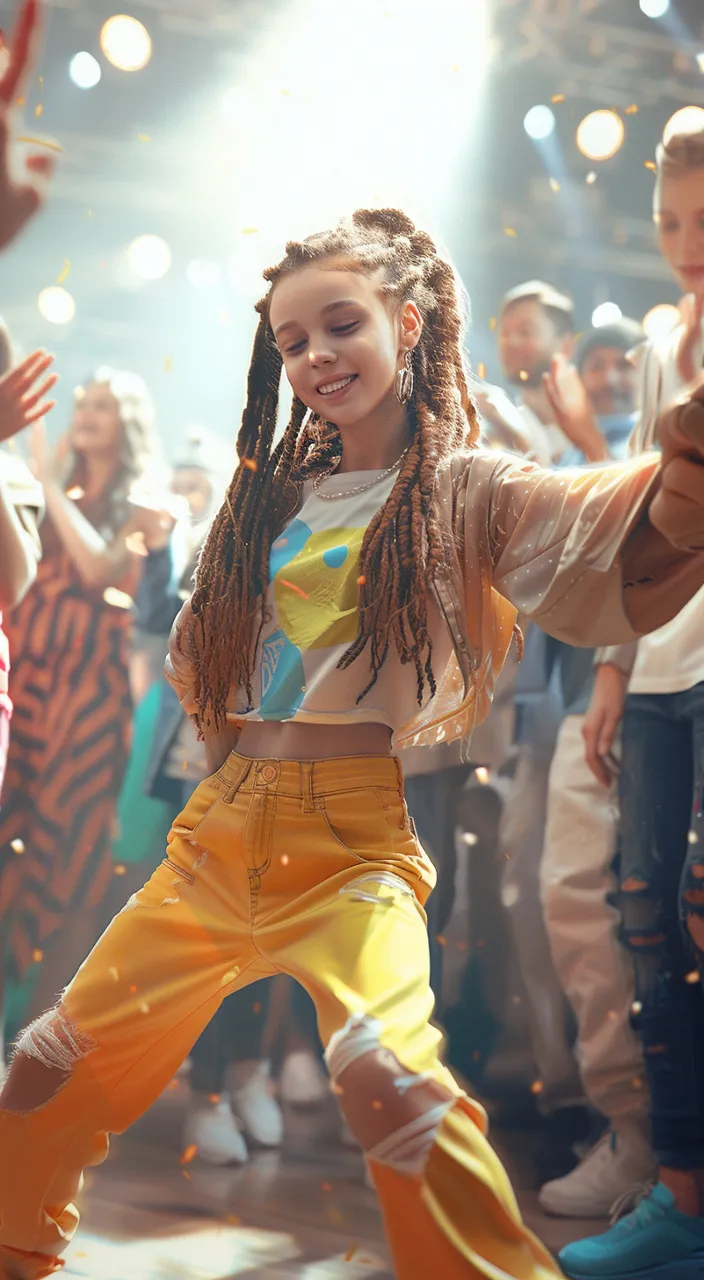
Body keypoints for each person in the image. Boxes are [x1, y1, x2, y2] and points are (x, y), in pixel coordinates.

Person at [1, 209, 704, 1280]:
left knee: (388, 1076)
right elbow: (203, 648)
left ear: (408, 323)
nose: (316, 356)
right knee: (46, 1067)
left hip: (353, 844)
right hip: (217, 832)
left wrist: (682, 476)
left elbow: (599, 525)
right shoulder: (264, 495)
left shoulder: (460, 486)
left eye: (341, 325)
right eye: (291, 341)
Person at [559, 121, 704, 1279]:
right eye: (667, 223)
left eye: (703, 221)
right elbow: (646, 520)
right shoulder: (661, 337)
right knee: (644, 925)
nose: (685, 244)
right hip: (656, 671)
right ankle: (678, 1195)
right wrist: (611, 662)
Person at [0, 369, 164, 1037]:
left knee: (64, 853)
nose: (89, 414)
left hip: (88, 702)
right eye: (84, 403)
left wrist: (46, 487)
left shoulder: (140, 500)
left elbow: (100, 569)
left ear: (127, 422)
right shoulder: (47, 489)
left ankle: (31, 1035)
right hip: (29, 686)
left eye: (105, 405)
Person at [537, 320, 658, 1220]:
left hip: (666, 684)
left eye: (628, 363)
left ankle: (664, 1146)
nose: (613, 378)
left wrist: (585, 444)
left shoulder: (657, 416)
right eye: (599, 364)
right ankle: (633, 1133)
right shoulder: (556, 444)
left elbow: (656, 532)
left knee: (665, 918)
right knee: (572, 897)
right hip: (590, 693)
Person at [497, 278, 575, 466]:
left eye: (525, 332)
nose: (512, 342)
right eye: (505, 334)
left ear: (564, 346)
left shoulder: (596, 428)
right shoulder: (493, 431)